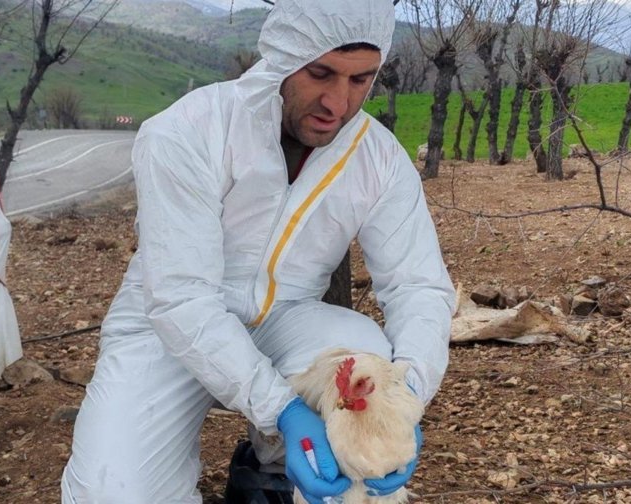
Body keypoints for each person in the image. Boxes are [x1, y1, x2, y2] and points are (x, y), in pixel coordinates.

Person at [61, 0, 455, 502]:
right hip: (168, 330)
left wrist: (407, 401)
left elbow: (417, 285)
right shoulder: (189, 131)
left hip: (288, 320)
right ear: (285, 57)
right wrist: (283, 412)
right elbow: (182, 297)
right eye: (321, 73)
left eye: (361, 80)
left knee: (363, 376)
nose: (338, 102)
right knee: (110, 493)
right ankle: (278, 437)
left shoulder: (378, 158)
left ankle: (272, 470)